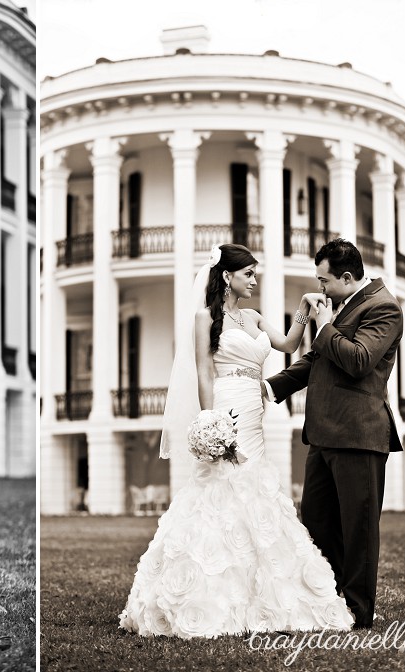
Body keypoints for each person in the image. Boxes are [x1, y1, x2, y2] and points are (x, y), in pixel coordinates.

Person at [119, 243, 354, 639]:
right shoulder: (204, 318)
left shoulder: (255, 316)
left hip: (254, 410)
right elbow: (203, 372)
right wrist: (211, 422)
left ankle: (264, 593)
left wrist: (303, 307)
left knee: (256, 491)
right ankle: (207, 587)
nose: (255, 280)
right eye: (249, 274)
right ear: (228, 276)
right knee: (219, 491)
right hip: (226, 407)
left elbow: (288, 345)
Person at [264, 238, 403, 629]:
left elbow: (358, 360)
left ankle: (358, 612)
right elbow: (318, 359)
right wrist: (271, 387)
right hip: (322, 434)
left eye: (324, 281)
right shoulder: (343, 304)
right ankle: (328, 602)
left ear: (346, 276)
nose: (320, 288)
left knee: (357, 530)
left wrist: (324, 325)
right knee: (318, 524)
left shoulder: (384, 307)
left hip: (359, 434)